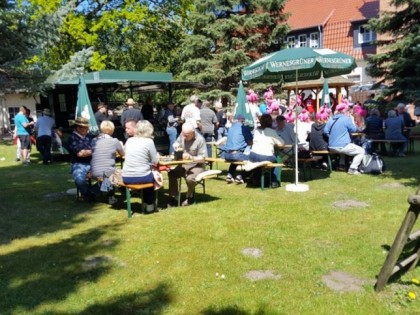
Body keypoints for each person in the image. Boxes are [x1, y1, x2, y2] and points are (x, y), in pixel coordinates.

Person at [122, 120, 159, 213]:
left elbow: (125, 155)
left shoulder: (129, 140)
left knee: (147, 174)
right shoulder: (149, 141)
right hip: (143, 176)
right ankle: (149, 204)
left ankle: (146, 203)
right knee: (153, 176)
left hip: (127, 177)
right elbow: (155, 161)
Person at [168, 122, 207, 206]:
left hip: (197, 165)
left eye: (187, 135)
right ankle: (175, 196)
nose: (184, 137)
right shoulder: (183, 134)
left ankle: (190, 197)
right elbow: (176, 142)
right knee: (171, 173)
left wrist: (191, 157)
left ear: (193, 132)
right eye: (183, 134)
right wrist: (176, 146)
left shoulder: (200, 140)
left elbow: (203, 158)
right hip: (184, 164)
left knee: (190, 178)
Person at [324, 102, 365, 175]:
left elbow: (325, 131)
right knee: (361, 151)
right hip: (342, 146)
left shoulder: (331, 120)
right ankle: (353, 168)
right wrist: (353, 122)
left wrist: (331, 137)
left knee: (343, 149)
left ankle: (341, 165)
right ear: (344, 111)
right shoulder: (346, 119)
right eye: (347, 110)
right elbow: (354, 130)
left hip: (331, 146)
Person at [91, 120, 125, 205]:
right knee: (115, 172)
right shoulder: (114, 141)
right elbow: (123, 154)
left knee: (108, 172)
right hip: (107, 172)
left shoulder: (94, 140)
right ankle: (111, 196)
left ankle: (98, 189)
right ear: (112, 130)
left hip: (94, 170)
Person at [249, 114, 285, 188]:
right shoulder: (271, 131)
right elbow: (282, 144)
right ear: (270, 122)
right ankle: (274, 181)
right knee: (277, 159)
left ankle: (256, 178)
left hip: (253, 155)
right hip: (266, 156)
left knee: (260, 161)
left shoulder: (257, 131)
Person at [67, 117, 95, 201]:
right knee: (79, 179)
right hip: (79, 163)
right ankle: (88, 194)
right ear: (78, 128)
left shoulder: (90, 136)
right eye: (86, 127)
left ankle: (91, 192)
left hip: (93, 162)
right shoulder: (72, 138)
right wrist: (95, 150)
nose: (87, 129)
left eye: (87, 127)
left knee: (107, 175)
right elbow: (80, 154)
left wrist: (89, 151)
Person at [220, 114, 253, 184]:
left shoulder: (231, 127)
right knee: (253, 160)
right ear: (243, 120)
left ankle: (229, 175)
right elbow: (250, 142)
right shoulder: (244, 128)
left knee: (236, 156)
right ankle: (241, 176)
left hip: (226, 155)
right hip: (236, 155)